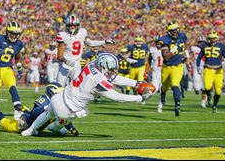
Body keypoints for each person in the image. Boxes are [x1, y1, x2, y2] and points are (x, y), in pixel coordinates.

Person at [21, 53, 156, 136]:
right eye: (111, 70)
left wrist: (136, 83)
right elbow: (118, 97)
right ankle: (56, 127)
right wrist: (140, 97)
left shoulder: (91, 65)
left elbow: (114, 78)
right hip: (68, 109)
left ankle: (30, 130)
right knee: (58, 124)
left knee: (47, 114)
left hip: (59, 97)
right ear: (104, 67)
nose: (112, 72)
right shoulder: (98, 81)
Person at [0, 82, 79, 136]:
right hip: (26, 123)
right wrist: (45, 109)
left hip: (36, 125)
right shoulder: (44, 100)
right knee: (5, 124)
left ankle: (24, 109)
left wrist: (71, 128)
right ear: (52, 92)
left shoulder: (56, 103)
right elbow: (35, 113)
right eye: (58, 94)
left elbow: (63, 116)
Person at [56, 14, 117, 87]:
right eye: (70, 25)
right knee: (58, 86)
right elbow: (59, 56)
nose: (72, 27)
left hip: (76, 64)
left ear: (78, 26)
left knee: (76, 87)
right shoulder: (63, 35)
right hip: (65, 64)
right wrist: (66, 61)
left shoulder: (82, 33)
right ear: (66, 26)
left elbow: (91, 43)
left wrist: (105, 41)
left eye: (74, 25)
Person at [156, 21, 188, 116]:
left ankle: (177, 105)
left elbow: (183, 46)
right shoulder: (164, 40)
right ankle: (163, 94)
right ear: (168, 32)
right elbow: (165, 57)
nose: (175, 33)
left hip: (178, 66)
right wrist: (174, 50)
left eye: (176, 30)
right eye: (172, 31)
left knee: (175, 85)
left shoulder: (182, 36)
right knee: (165, 87)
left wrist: (183, 53)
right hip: (166, 67)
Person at [196, 31, 225, 113]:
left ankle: (214, 105)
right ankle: (209, 96)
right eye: (211, 38)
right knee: (207, 87)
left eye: (213, 38)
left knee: (218, 91)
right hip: (208, 68)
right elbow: (199, 57)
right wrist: (198, 66)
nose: (212, 40)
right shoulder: (204, 46)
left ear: (216, 38)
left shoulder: (221, 46)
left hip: (218, 70)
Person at [190, 36, 212, 108]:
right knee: (196, 86)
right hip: (196, 67)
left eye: (202, 42)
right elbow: (187, 52)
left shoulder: (208, 49)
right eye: (199, 42)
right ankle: (198, 91)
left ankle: (203, 102)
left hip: (206, 68)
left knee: (205, 86)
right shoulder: (194, 48)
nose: (201, 44)